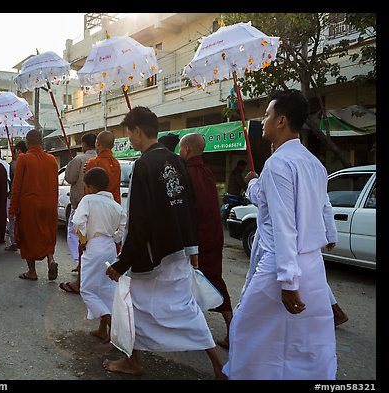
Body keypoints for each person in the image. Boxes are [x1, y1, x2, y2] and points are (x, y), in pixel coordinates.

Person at [222, 89, 337, 380]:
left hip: (280, 264)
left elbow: (285, 223)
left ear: (282, 120)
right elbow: (322, 205)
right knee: (306, 338)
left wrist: (287, 280)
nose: (263, 121)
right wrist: (330, 234)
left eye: (267, 115)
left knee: (248, 330)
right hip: (310, 264)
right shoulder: (313, 163)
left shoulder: (278, 164)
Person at [103, 106, 225, 379]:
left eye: (129, 134)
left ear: (137, 131)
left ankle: (133, 361)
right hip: (178, 251)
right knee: (184, 309)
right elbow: (188, 208)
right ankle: (218, 364)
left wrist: (122, 264)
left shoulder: (143, 164)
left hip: (154, 255)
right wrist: (192, 249)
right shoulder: (177, 160)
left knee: (129, 305)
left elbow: (139, 220)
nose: (130, 140)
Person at [179, 133, 233, 349]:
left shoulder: (187, 174)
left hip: (197, 237)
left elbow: (188, 210)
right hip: (213, 233)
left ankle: (232, 330)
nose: (179, 153)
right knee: (208, 279)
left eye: (181, 149)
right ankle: (190, 327)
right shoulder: (207, 172)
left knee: (206, 280)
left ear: (187, 150)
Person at [59, 130, 121, 294]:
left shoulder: (94, 163)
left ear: (97, 144)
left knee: (85, 253)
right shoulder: (117, 164)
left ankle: (81, 283)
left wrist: (83, 236)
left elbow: (88, 193)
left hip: (93, 216)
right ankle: (104, 284)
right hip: (111, 214)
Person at [72, 167, 127, 342]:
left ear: (91, 187)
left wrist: (83, 241)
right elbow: (124, 229)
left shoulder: (88, 199)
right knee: (106, 289)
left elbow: (78, 222)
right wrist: (115, 238)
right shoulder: (116, 206)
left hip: (93, 246)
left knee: (87, 290)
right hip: (110, 247)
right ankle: (103, 329)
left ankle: (113, 327)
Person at [8, 129, 59, 281]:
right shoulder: (52, 160)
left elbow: (17, 186)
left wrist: (12, 208)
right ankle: (51, 260)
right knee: (47, 234)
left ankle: (32, 272)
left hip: (30, 205)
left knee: (28, 237)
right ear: (41, 141)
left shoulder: (24, 158)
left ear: (27, 142)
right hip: (49, 204)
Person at [64, 132, 97, 271]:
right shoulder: (101, 158)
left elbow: (70, 178)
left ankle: (79, 260)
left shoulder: (79, 159)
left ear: (84, 144)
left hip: (79, 202)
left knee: (75, 232)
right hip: (98, 204)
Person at [4, 140, 28, 252]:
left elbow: (14, 183)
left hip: (15, 195)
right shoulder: (31, 160)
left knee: (12, 220)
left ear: (18, 150)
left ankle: (14, 242)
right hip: (28, 196)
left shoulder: (15, 163)